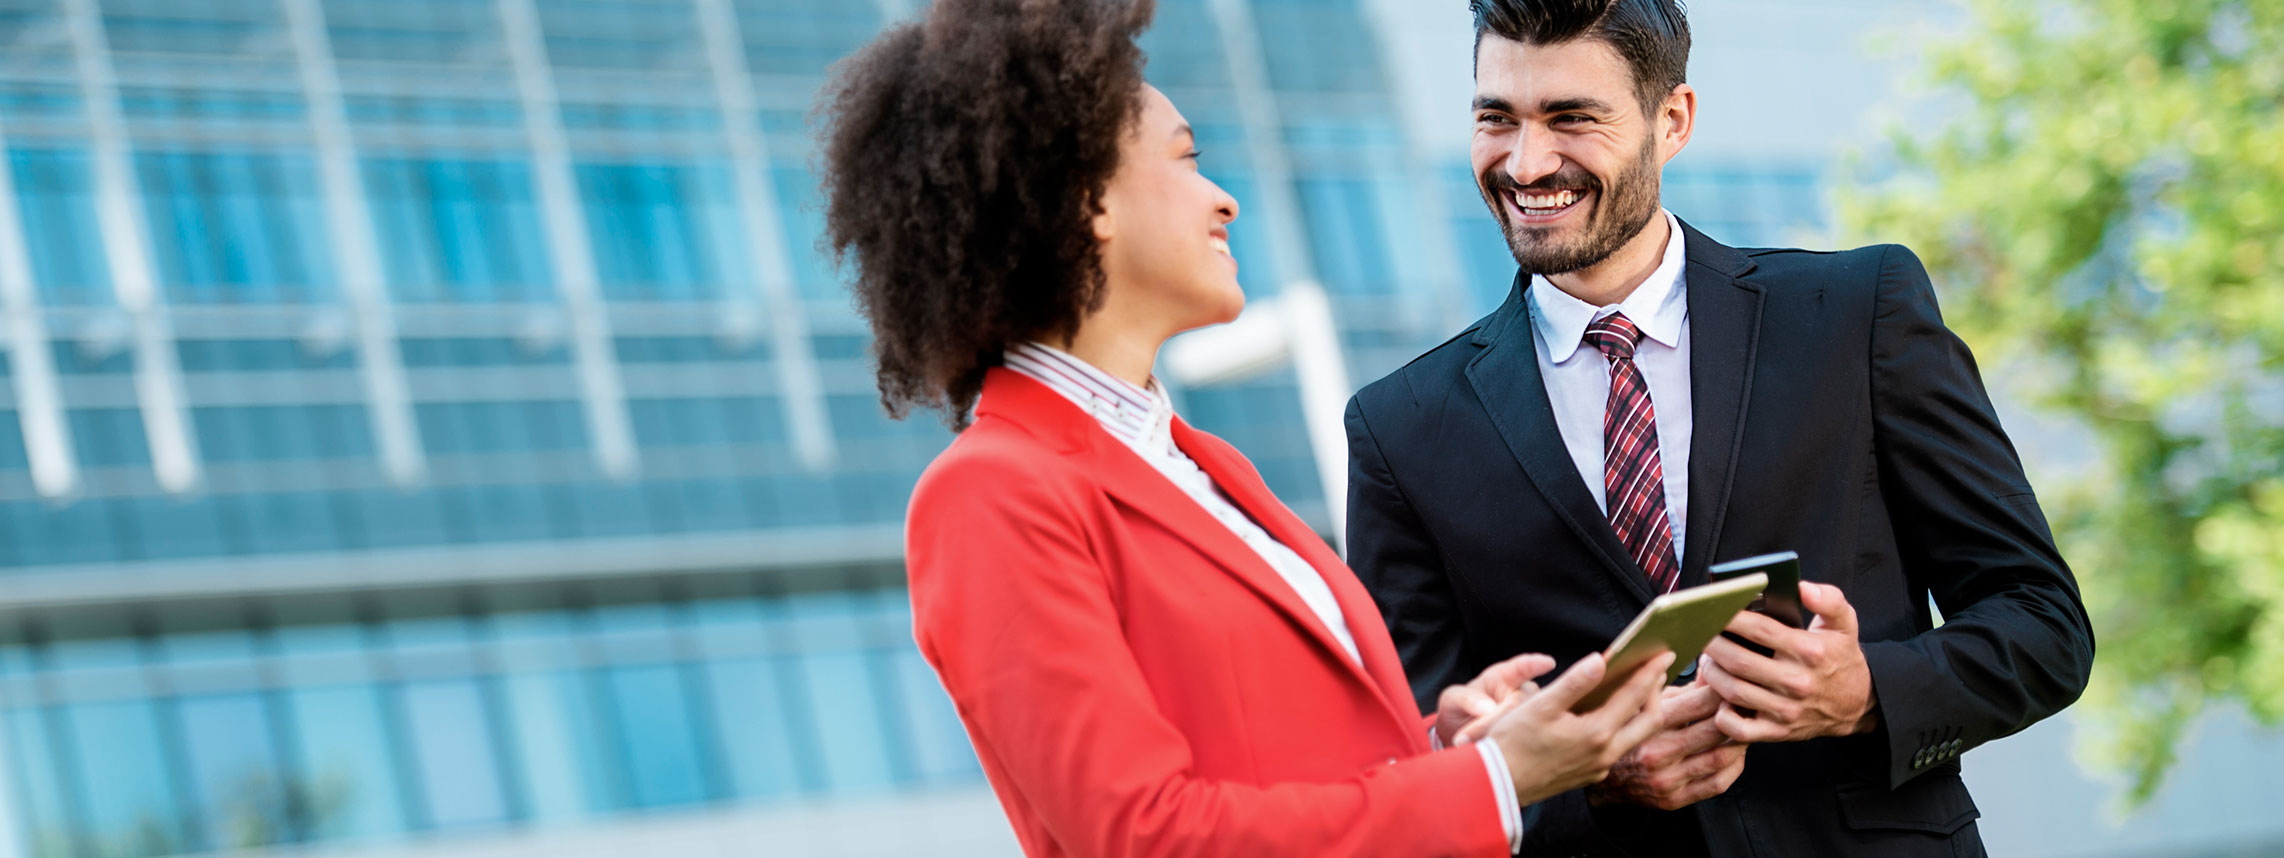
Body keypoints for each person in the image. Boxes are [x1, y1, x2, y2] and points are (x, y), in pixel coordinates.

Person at [817, 0, 1677, 855]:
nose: (1224, 200)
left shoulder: (1204, 465)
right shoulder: (990, 493)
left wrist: (1449, 747)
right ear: (1086, 199)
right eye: (1187, 161)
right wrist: (1496, 782)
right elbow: (1145, 837)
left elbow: (1284, 768)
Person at [1343, 1, 2097, 856]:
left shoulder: (1856, 316)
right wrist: (1585, 784)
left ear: (1672, 121)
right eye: (1496, 119)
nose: (1526, 161)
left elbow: (2044, 626)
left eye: (1571, 118)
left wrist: (1867, 692)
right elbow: (1400, 759)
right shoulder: (1399, 427)